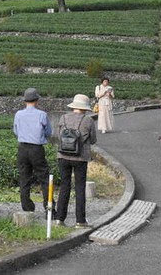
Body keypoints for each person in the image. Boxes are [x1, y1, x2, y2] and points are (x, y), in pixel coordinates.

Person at [54, 93, 97, 228]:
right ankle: (80, 221)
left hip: (63, 156)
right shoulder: (88, 120)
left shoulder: (63, 118)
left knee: (64, 186)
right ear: (85, 108)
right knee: (79, 188)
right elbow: (94, 140)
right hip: (80, 158)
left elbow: (58, 136)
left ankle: (59, 219)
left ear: (73, 106)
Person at [13, 87, 53, 213]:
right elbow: (48, 132)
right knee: (44, 178)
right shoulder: (42, 115)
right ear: (37, 100)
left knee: (24, 178)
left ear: (25, 101)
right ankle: (49, 207)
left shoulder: (18, 114)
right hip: (37, 149)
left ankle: (27, 206)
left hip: (22, 148)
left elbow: (15, 131)